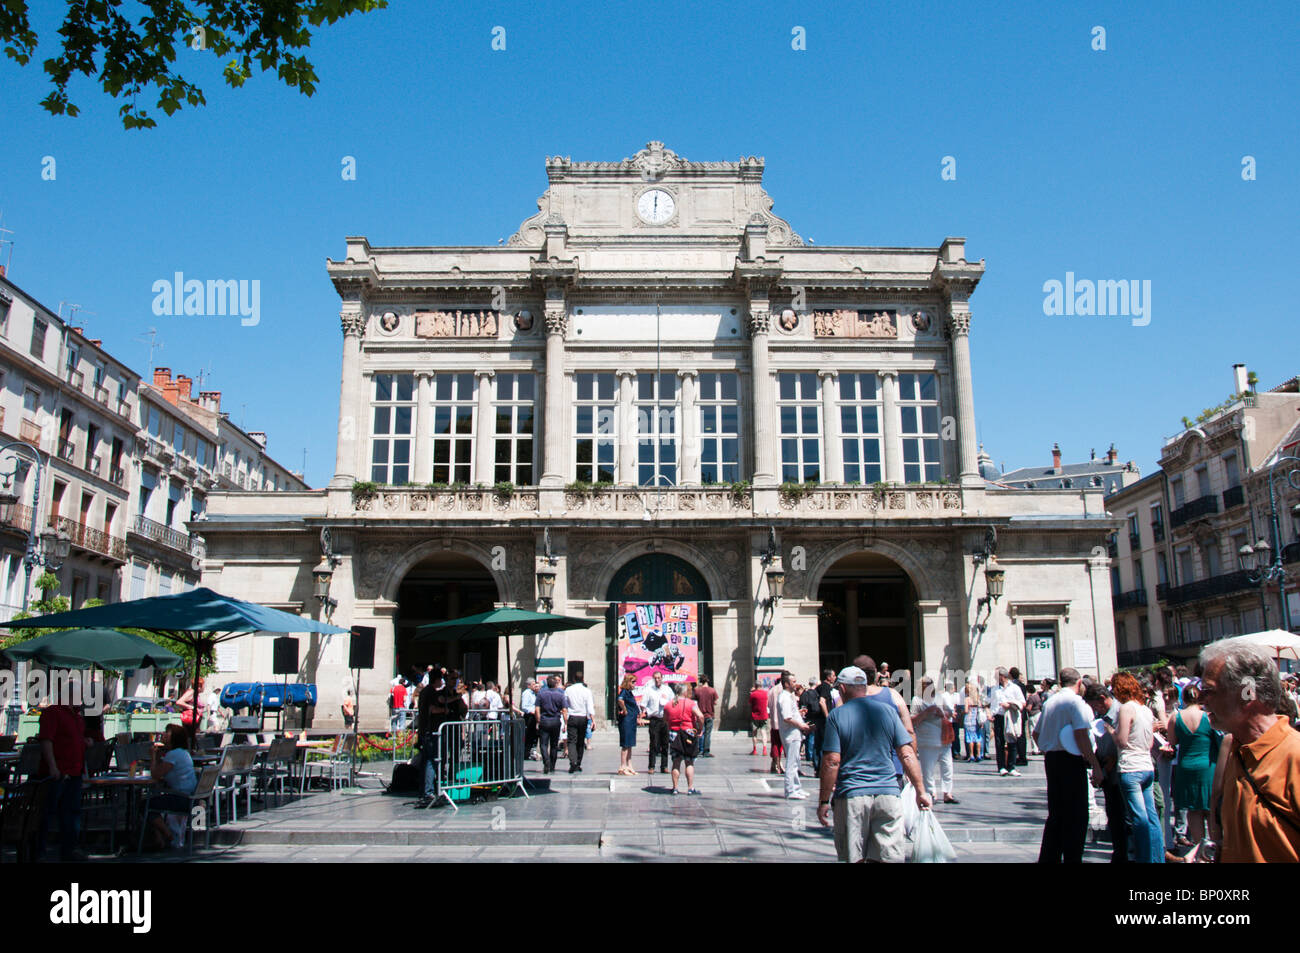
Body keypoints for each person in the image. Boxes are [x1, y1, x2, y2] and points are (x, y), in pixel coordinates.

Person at [1198, 636, 1300, 862]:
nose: (1202, 701)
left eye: (1209, 691)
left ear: (1247, 692)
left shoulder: (1294, 755)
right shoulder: (1236, 748)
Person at [818, 664, 932, 863]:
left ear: (843, 689)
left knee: (854, 857)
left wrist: (824, 801)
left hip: (852, 795)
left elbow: (832, 761)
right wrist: (921, 791)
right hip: (888, 794)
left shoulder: (836, 716)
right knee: (889, 858)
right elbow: (907, 754)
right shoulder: (888, 711)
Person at [1033, 667, 1105, 863]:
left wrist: (1048, 746)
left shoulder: (1049, 702)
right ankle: (1073, 857)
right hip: (1071, 759)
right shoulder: (1076, 703)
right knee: (1077, 814)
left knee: (1056, 813)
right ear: (1079, 682)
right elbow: (1081, 735)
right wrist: (1095, 764)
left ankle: (1049, 857)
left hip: (1052, 759)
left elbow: (1036, 733)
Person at [35, 678, 92, 861]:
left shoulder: (77, 717)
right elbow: (46, 739)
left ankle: (69, 849)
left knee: (72, 812)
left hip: (74, 771)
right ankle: (39, 851)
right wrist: (52, 766)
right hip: (57, 771)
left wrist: (85, 742)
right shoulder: (53, 712)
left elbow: (72, 739)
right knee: (47, 813)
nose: (82, 699)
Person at [1110, 671, 1161, 863]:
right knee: (1152, 816)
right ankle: (1157, 858)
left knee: (1138, 819)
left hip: (1130, 767)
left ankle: (1144, 859)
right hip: (1147, 765)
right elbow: (1149, 744)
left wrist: (1111, 732)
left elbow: (1122, 740)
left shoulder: (1126, 709)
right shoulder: (1145, 709)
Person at [1166, 682, 1218, 858]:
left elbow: (1172, 742)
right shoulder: (1208, 717)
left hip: (1186, 766)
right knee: (1210, 808)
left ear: (1184, 698)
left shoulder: (1175, 717)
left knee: (1193, 811)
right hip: (1208, 766)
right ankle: (1215, 849)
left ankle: (1199, 850)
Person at [1086, 682, 1127, 863]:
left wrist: (1105, 768)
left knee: (1122, 815)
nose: (1095, 710)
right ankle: (1119, 852)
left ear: (1103, 699)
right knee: (1114, 815)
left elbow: (1120, 745)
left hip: (1117, 770)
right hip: (1106, 769)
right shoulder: (1102, 716)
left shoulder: (1120, 713)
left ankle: (1124, 853)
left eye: (1095, 706)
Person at [143, 724, 198, 850]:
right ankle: (159, 841)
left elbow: (155, 775)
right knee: (153, 803)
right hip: (191, 797)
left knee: (144, 805)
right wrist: (157, 757)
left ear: (173, 738)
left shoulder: (173, 755)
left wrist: (152, 757)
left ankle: (169, 836)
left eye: (167, 733)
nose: (163, 735)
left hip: (181, 798)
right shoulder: (183, 753)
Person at [911, 676, 957, 804]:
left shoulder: (939, 697)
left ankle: (948, 793)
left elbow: (948, 711)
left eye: (930, 684)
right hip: (927, 738)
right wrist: (926, 713)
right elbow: (912, 720)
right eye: (925, 685)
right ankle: (931, 793)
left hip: (943, 736)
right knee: (928, 769)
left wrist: (945, 713)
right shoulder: (917, 700)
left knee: (947, 766)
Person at [416, 671, 455, 806]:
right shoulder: (431, 692)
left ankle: (424, 790)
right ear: (437, 680)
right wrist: (444, 711)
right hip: (431, 731)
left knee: (426, 760)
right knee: (432, 761)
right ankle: (429, 792)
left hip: (424, 730)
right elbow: (432, 709)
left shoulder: (424, 691)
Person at [776, 672, 813, 798]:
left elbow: (791, 713)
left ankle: (796, 787)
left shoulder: (788, 696)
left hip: (794, 733)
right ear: (786, 684)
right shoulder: (784, 697)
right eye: (793, 681)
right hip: (790, 734)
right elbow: (787, 717)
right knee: (791, 763)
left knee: (796, 762)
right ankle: (790, 790)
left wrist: (799, 714)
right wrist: (801, 725)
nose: (795, 683)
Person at [665, 683, 703, 795]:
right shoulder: (691, 703)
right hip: (688, 733)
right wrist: (700, 729)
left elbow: (665, 719)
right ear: (685, 692)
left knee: (676, 762)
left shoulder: (668, 704)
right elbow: (700, 716)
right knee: (689, 762)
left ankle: (675, 788)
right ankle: (690, 788)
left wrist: (670, 727)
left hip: (674, 734)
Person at [992, 666, 1025, 776]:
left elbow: (1022, 702)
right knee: (999, 741)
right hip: (999, 716)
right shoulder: (994, 689)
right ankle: (1001, 767)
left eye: (997, 676)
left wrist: (1010, 704)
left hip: (1011, 716)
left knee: (1012, 739)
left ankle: (1011, 766)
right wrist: (991, 713)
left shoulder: (1015, 688)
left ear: (1003, 677)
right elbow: (990, 702)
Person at [639, 671, 672, 774]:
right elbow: (643, 704)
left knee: (665, 743)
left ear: (662, 678)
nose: (657, 680)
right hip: (654, 719)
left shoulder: (667, 690)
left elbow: (673, 701)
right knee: (654, 743)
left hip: (665, 719)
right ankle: (651, 766)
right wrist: (646, 712)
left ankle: (664, 766)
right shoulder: (649, 690)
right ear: (653, 679)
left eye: (659, 678)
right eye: (655, 678)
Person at [533, 675, 567, 774]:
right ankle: (552, 765)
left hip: (544, 720)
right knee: (554, 744)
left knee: (543, 744)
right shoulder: (560, 695)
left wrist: (538, 720)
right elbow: (564, 710)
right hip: (555, 721)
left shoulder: (541, 694)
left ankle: (546, 761)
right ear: (556, 684)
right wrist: (566, 723)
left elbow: (537, 709)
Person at [563, 672, 594, 773]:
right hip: (583, 717)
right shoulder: (586, 691)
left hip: (572, 716)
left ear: (574, 679)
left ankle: (573, 762)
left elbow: (565, 704)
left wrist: (565, 719)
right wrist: (593, 720)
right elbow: (590, 706)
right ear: (583, 679)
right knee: (581, 741)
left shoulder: (568, 690)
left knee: (572, 741)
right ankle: (578, 763)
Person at [801, 676, 828, 772]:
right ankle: (812, 756)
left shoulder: (805, 694)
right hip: (817, 718)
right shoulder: (817, 693)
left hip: (808, 717)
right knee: (815, 739)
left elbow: (802, 705)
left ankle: (810, 756)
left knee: (810, 738)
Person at [616, 674, 640, 776]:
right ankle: (622, 766)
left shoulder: (630, 693)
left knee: (630, 744)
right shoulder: (624, 692)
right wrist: (625, 710)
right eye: (633, 682)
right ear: (628, 682)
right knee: (625, 744)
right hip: (626, 721)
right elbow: (620, 700)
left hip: (632, 721)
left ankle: (629, 765)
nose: (635, 684)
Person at [1009, 667, 1030, 765]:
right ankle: (1021, 755)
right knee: (1021, 735)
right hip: (1022, 713)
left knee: (1019, 735)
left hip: (1018, 712)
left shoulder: (1014, 685)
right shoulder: (1022, 685)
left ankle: (1021, 756)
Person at [694, 675, 718, 758]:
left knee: (700, 732)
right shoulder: (712, 691)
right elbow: (715, 702)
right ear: (707, 681)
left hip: (700, 715)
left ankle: (699, 749)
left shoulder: (697, 690)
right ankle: (706, 751)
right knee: (708, 734)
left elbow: (694, 700)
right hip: (709, 714)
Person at [767, 676, 785, 775]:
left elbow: (768, 705)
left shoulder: (771, 690)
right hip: (784, 722)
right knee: (782, 745)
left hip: (774, 721)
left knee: (775, 744)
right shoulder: (785, 691)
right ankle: (779, 764)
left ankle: (775, 763)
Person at [749, 681, 770, 756]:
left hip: (755, 716)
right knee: (764, 732)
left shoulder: (753, 694)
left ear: (755, 686)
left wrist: (751, 692)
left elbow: (750, 703)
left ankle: (755, 750)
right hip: (764, 715)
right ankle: (764, 750)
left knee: (754, 734)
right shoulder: (765, 693)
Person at [963, 682, 983, 762]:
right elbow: (981, 709)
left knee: (970, 738)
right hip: (977, 720)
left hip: (969, 719)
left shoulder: (967, 699)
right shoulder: (978, 699)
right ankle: (978, 755)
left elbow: (966, 710)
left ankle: (971, 755)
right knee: (978, 738)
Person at [520, 678, 539, 760]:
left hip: (534, 716)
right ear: (529, 685)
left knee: (532, 735)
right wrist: (532, 711)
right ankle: (525, 753)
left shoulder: (533, 693)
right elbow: (524, 707)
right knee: (528, 735)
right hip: (529, 716)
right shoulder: (526, 693)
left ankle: (528, 752)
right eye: (533, 684)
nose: (535, 686)